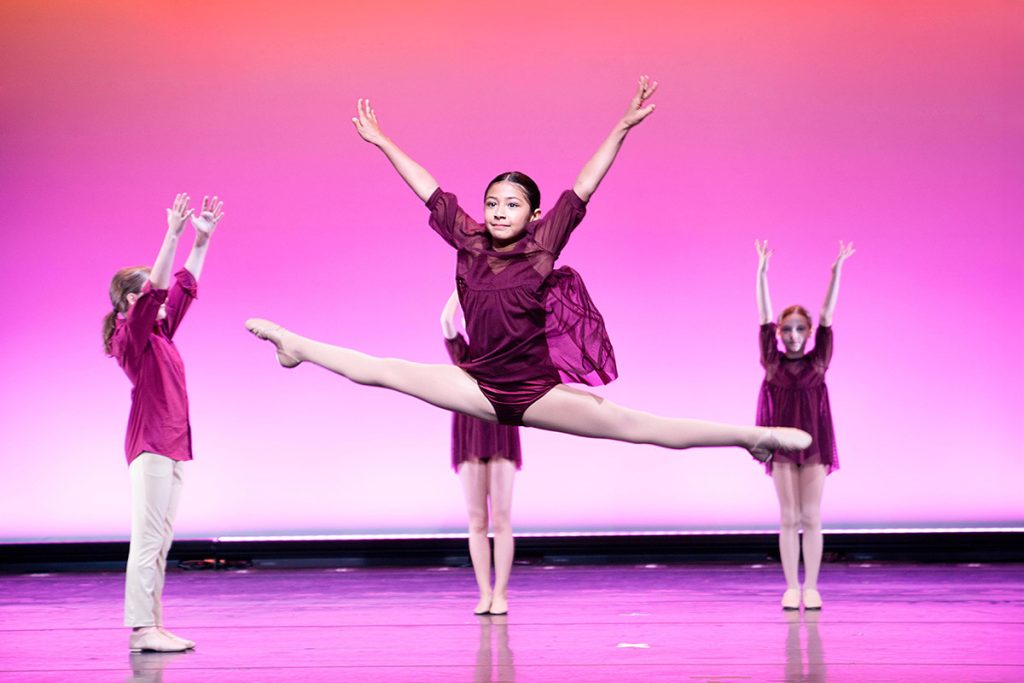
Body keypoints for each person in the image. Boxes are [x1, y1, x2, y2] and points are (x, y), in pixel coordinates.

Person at [245, 78, 809, 469]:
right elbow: (426, 186)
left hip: (536, 393)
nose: (497, 211)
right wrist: (382, 142)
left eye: (511, 204)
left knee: (641, 428)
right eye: (492, 202)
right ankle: (295, 346)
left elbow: (586, 183)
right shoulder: (467, 239)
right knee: (384, 370)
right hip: (476, 384)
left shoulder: (543, 245)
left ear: (533, 214)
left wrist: (621, 127)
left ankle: (751, 438)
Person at [104, 193, 224, 652]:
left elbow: (183, 289)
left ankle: (153, 623)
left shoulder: (160, 331)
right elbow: (158, 289)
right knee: (149, 539)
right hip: (151, 445)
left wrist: (201, 240)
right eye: (149, 296)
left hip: (173, 445)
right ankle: (141, 628)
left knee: (162, 542)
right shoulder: (130, 335)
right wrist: (172, 233)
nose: (162, 301)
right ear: (134, 301)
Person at [754, 239, 855, 611]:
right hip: (782, 446)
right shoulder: (772, 363)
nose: (793, 335)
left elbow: (828, 314)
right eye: (787, 329)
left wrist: (836, 272)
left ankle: (811, 586)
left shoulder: (819, 362)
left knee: (811, 516)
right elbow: (763, 318)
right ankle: (790, 586)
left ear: (808, 332)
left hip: (813, 446)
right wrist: (762, 274)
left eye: (800, 329)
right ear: (780, 333)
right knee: (787, 517)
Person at [441, 290, 522, 615]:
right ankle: (484, 592)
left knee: (501, 518)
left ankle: (501, 592)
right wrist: (464, 285)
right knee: (477, 519)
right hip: (470, 431)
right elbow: (447, 321)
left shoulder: (511, 353)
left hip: (501, 429)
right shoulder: (463, 352)